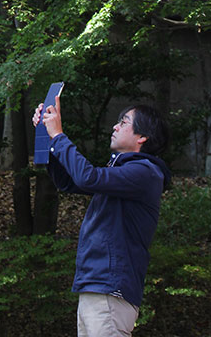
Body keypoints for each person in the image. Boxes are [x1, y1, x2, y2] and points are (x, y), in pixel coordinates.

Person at [33, 94, 171, 337]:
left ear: (142, 137)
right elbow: (69, 182)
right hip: (96, 286)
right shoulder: (122, 171)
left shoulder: (144, 173)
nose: (115, 126)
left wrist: (58, 135)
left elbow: (88, 177)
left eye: (124, 122)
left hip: (111, 289)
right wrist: (48, 133)